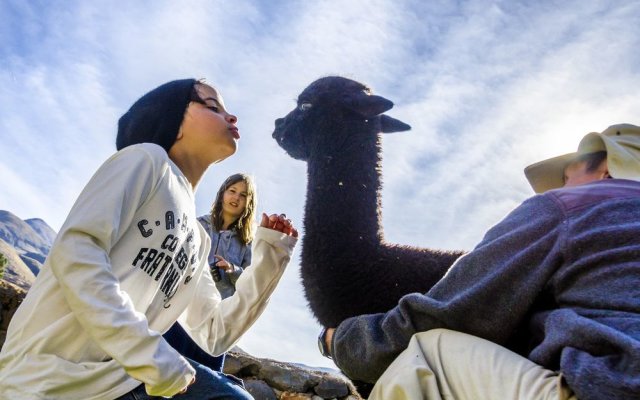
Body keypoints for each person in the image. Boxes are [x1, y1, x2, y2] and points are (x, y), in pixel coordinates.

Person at [0, 79, 298, 400]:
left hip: (117, 382)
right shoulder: (147, 160)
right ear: (173, 120)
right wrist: (152, 357)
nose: (231, 117)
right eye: (213, 107)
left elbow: (214, 332)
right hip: (47, 380)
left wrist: (272, 256)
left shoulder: (198, 239)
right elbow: (77, 248)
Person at [319, 123, 640, 400]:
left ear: (605, 167)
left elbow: (454, 314)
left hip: (617, 387)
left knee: (427, 353)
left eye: (567, 178)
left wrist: (340, 342)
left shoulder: (573, 206)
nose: (562, 188)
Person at [164, 173, 257, 373]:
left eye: (243, 195)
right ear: (222, 193)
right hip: (181, 311)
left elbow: (251, 282)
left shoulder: (247, 242)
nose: (236, 198)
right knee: (167, 369)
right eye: (232, 191)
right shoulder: (198, 224)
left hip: (216, 320)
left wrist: (231, 269)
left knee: (205, 377)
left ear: (248, 203)